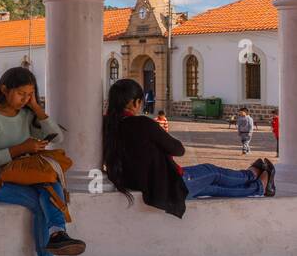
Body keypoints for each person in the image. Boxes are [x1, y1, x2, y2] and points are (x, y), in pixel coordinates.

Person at [0, 67, 86, 256]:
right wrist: (22, 148)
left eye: (30, 94)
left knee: (50, 182)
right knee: (40, 200)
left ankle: (56, 234)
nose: (25, 99)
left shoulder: (26, 114)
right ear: (4, 89)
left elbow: (58, 137)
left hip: (23, 172)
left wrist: (36, 108)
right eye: (21, 94)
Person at [102, 78, 273, 219]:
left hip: (137, 183)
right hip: (164, 185)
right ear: (134, 102)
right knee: (212, 172)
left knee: (212, 188)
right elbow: (178, 150)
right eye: (140, 102)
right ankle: (251, 175)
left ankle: (257, 186)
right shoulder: (142, 123)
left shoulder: (107, 125)